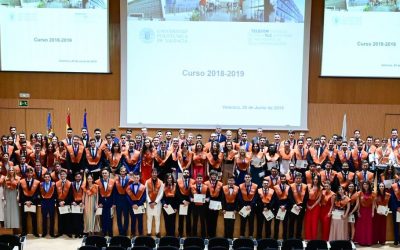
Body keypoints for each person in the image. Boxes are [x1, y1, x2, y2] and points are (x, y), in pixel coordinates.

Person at [19, 168, 40, 237]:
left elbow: (37, 193)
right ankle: (24, 232)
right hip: (24, 202)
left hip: (33, 202)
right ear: (26, 173)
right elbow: (21, 193)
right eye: (28, 173)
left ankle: (35, 232)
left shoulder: (37, 182)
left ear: (32, 173)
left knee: (34, 218)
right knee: (24, 218)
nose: (29, 174)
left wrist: (31, 201)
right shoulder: (22, 182)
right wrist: (25, 201)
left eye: (31, 173)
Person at [95, 168, 115, 237]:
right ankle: (103, 232)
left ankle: (110, 232)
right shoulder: (97, 182)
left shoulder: (112, 181)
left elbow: (114, 193)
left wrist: (113, 203)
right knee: (102, 218)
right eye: (103, 173)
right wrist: (99, 203)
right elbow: (97, 194)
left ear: (108, 173)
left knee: (110, 218)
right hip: (102, 203)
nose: (104, 174)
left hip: (110, 202)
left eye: (105, 173)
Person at [288, 173, 309, 239]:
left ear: (301, 179)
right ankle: (291, 237)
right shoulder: (291, 186)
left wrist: (302, 206)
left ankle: (298, 237)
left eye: (299, 178)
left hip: (301, 208)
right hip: (293, 207)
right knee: (292, 222)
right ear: (295, 179)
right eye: (297, 178)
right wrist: (295, 205)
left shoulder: (305, 186)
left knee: (299, 223)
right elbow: (290, 196)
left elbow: (306, 197)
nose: (298, 179)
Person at [355, 181, 375, 246]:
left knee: (368, 226)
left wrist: (372, 212)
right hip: (362, 211)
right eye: (364, 184)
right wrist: (358, 211)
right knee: (362, 226)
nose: (365, 185)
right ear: (362, 186)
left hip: (369, 211)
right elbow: (358, 203)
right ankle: (362, 241)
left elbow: (373, 204)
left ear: (369, 185)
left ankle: (368, 241)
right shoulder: (359, 193)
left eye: (366, 184)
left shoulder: (372, 193)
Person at [126, 172, 146, 237]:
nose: (136, 179)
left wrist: (138, 204)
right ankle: (132, 234)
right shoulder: (129, 187)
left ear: (139, 178)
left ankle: (140, 234)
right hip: (132, 206)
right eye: (135, 178)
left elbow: (144, 197)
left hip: (140, 206)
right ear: (133, 178)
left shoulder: (143, 187)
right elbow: (127, 197)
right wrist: (133, 204)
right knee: (133, 220)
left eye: (137, 177)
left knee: (140, 220)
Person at [145, 168, 164, 237]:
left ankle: (157, 232)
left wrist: (155, 202)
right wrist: (150, 202)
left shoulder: (161, 182)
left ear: (157, 173)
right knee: (149, 219)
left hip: (157, 204)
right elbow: (146, 193)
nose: (154, 174)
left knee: (157, 219)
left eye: (155, 173)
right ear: (151, 173)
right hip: (149, 204)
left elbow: (161, 193)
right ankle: (149, 233)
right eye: (153, 173)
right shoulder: (147, 182)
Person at [204, 170, 223, 238]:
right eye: (212, 175)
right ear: (210, 176)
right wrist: (207, 199)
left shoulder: (220, 184)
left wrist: (220, 204)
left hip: (216, 204)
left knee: (215, 220)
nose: (214, 176)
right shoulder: (206, 183)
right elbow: (204, 193)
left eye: (215, 175)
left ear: (217, 176)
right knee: (208, 220)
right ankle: (208, 235)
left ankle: (213, 235)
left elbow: (221, 195)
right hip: (208, 205)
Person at [238, 173, 257, 238]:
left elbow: (255, 197)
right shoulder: (240, 186)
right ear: (244, 178)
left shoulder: (255, 186)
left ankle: (251, 235)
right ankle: (242, 235)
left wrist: (250, 205)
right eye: (246, 177)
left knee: (251, 222)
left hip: (251, 207)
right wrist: (244, 206)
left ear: (251, 178)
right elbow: (239, 197)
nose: (247, 178)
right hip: (243, 207)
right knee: (243, 222)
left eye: (248, 177)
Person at [176, 169, 195, 237]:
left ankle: (188, 233)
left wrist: (189, 201)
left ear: (189, 174)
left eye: (187, 172)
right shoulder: (178, 181)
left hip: (189, 203)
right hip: (181, 202)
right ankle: (180, 233)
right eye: (185, 172)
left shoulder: (193, 181)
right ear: (183, 173)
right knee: (181, 218)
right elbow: (177, 193)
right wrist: (183, 201)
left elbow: (193, 192)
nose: (186, 173)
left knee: (188, 219)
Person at [191, 173, 209, 238]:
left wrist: (208, 199)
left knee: (202, 221)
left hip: (203, 207)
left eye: (200, 178)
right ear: (196, 179)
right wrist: (191, 199)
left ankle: (203, 236)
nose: (199, 179)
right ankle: (194, 236)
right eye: (198, 178)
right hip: (194, 206)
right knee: (194, 221)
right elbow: (189, 196)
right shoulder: (192, 186)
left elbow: (209, 196)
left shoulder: (206, 187)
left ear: (202, 179)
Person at [114, 166, 131, 236]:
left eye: (124, 171)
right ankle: (120, 232)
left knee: (126, 217)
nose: (122, 173)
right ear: (120, 172)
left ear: (126, 172)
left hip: (126, 201)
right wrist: (114, 202)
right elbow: (114, 192)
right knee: (119, 217)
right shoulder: (116, 180)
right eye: (121, 171)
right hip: (118, 200)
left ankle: (125, 232)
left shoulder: (129, 180)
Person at [56, 169, 72, 238]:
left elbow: (71, 194)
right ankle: (60, 232)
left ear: (66, 175)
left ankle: (68, 232)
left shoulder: (70, 183)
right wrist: (59, 202)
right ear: (59, 175)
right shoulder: (56, 183)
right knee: (60, 218)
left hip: (67, 203)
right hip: (59, 203)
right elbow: (55, 194)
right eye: (61, 174)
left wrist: (64, 201)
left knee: (67, 218)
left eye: (64, 174)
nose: (62, 175)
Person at [304, 175, 322, 240]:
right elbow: (305, 196)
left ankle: (313, 239)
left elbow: (319, 199)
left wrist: (313, 206)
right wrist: (307, 205)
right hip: (308, 204)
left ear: (319, 180)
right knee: (308, 222)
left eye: (317, 179)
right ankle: (308, 238)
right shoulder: (308, 186)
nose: (315, 180)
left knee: (314, 223)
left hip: (316, 206)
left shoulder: (321, 188)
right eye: (314, 179)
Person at [39, 172, 56, 237]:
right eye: (45, 177)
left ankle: (51, 233)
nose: (47, 178)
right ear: (44, 178)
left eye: (48, 177)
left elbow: (55, 193)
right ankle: (44, 232)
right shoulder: (41, 184)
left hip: (51, 202)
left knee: (52, 218)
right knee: (44, 218)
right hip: (44, 202)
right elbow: (40, 193)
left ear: (50, 178)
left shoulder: (53, 184)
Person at [273, 174, 290, 240]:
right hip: (278, 207)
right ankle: (275, 239)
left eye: (284, 179)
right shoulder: (276, 187)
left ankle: (284, 239)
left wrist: (285, 206)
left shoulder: (289, 187)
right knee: (276, 224)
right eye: (281, 179)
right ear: (280, 179)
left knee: (285, 224)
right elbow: (274, 198)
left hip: (285, 207)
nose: (283, 180)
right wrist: (280, 206)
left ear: (285, 179)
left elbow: (290, 198)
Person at [71, 172, 84, 238]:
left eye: (79, 177)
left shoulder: (84, 184)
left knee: (81, 219)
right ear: (75, 177)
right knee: (75, 219)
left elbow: (85, 194)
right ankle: (76, 233)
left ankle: (81, 232)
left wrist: (83, 202)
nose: (78, 178)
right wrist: (72, 202)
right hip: (74, 203)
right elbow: (70, 194)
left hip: (81, 203)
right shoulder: (72, 184)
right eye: (77, 177)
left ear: (81, 177)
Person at [390, 179, 400, 245]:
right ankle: (396, 239)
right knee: (396, 225)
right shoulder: (394, 186)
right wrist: (397, 207)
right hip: (396, 209)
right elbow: (392, 198)